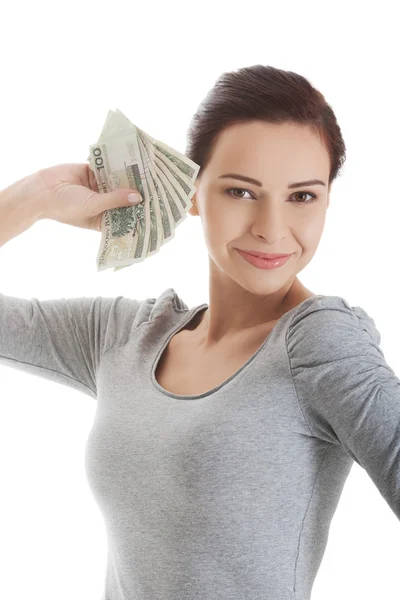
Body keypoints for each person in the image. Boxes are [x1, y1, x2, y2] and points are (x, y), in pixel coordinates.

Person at [0, 64, 399, 600]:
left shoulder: (320, 342)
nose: (272, 228)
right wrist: (34, 198)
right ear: (192, 192)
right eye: (240, 192)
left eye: (302, 196)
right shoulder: (123, 336)